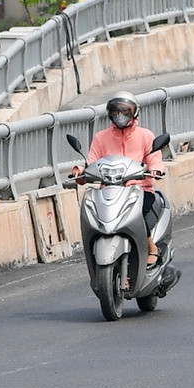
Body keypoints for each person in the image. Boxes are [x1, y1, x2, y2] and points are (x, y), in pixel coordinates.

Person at [75, 94, 168, 266]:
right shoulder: (101, 137)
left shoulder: (145, 135)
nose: (120, 116)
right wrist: (81, 172)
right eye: (116, 112)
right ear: (110, 114)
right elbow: (92, 162)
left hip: (139, 189)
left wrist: (156, 169)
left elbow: (154, 158)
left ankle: (151, 247)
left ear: (134, 113)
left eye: (125, 112)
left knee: (139, 215)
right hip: (110, 190)